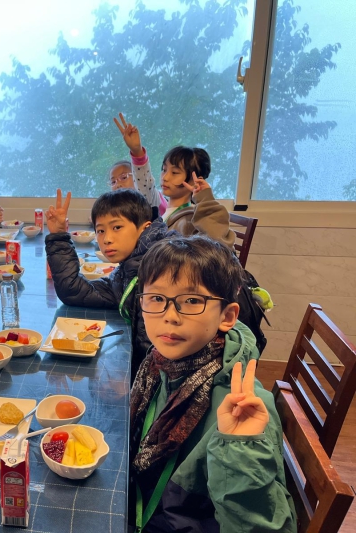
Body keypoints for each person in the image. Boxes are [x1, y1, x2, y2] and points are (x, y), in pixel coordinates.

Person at [130, 236, 295, 532]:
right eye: (156, 298)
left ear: (227, 316)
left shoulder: (243, 408)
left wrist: (240, 451)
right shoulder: (159, 366)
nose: (170, 316)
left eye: (192, 301)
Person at [45, 188, 176, 376]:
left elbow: (155, 353)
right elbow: (73, 290)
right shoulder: (128, 271)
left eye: (117, 227)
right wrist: (58, 236)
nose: (107, 239)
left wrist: (126, 383)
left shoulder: (161, 271)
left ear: (145, 228)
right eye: (100, 230)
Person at [159, 146, 235, 248]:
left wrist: (204, 197)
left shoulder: (190, 222)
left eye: (175, 172)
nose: (165, 177)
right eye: (164, 170)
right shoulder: (165, 210)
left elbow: (218, 247)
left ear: (196, 180)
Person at [112, 113, 168, 218]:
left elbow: (144, 182)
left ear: (135, 175)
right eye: (113, 182)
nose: (117, 185)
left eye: (123, 177)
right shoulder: (124, 211)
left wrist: (137, 151)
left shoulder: (150, 198)